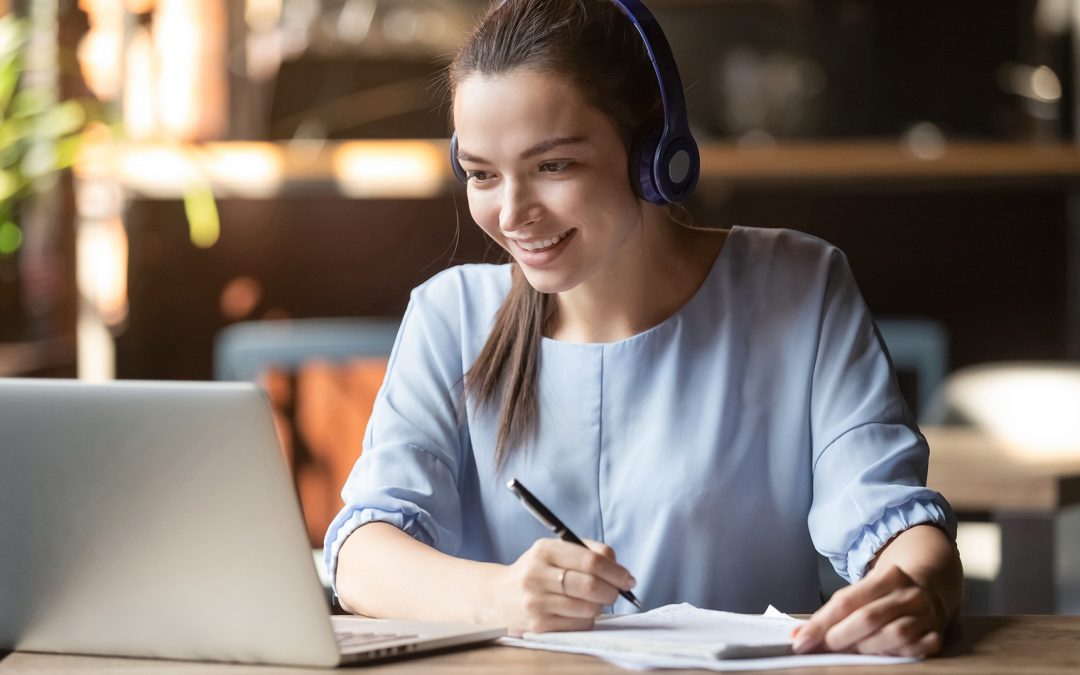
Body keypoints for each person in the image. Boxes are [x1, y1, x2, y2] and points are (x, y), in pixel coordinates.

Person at [325, 0, 962, 657]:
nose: (512, 213)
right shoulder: (450, 314)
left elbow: (888, 516)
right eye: (483, 174)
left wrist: (918, 585)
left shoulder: (798, 287)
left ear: (655, 153)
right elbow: (360, 555)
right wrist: (504, 595)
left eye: (553, 166)